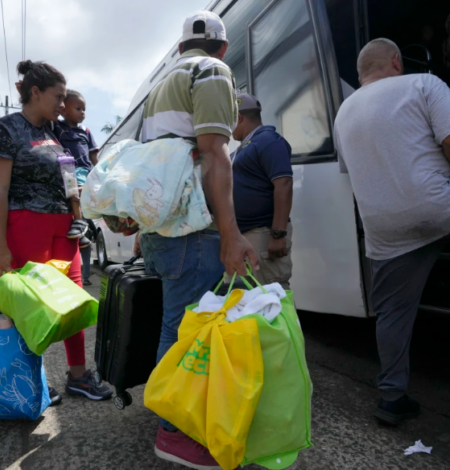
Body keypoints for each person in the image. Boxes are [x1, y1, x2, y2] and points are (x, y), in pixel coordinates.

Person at [334, 38, 450, 425]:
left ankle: (391, 398)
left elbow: (353, 171)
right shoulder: (424, 83)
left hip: (385, 231)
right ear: (396, 62)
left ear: (362, 73)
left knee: (392, 315)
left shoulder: (343, 113)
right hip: (440, 207)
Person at [139, 11, 257, 469]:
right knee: (187, 328)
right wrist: (230, 234)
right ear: (223, 48)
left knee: (178, 324)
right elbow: (213, 152)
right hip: (193, 228)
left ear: (183, 44)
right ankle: (174, 432)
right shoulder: (212, 71)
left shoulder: (161, 84)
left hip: (164, 227)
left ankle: (179, 414)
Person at [0, 60, 112, 405]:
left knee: (70, 303)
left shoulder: (56, 133)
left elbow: (71, 180)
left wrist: (80, 217)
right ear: (35, 92)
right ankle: (29, 382)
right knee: (31, 306)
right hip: (26, 225)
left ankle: (78, 376)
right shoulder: (4, 130)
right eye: (58, 97)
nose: (62, 105)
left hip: (63, 229)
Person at [231, 93, 293, 289]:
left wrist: (277, 234)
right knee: (255, 301)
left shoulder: (268, 140)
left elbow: (284, 184)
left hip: (264, 234)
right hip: (248, 236)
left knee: (273, 296)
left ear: (238, 117)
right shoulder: (245, 147)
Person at [55, 90, 100, 284]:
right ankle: (80, 223)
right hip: (66, 168)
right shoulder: (57, 127)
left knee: (79, 195)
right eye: (78, 108)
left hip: (84, 170)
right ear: (64, 110)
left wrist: (100, 174)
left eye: (84, 109)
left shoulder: (86, 131)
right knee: (73, 194)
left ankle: (82, 225)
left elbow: (94, 157)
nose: (82, 112)